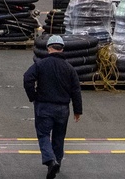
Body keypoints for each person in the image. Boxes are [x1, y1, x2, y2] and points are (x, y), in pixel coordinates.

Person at [23, 35, 83, 179]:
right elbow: (76, 90)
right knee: (59, 136)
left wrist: (33, 96)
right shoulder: (69, 68)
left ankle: (50, 160)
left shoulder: (41, 64)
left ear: (49, 48)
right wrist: (77, 110)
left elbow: (27, 78)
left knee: (43, 134)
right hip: (63, 108)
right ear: (62, 49)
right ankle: (57, 162)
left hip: (44, 106)